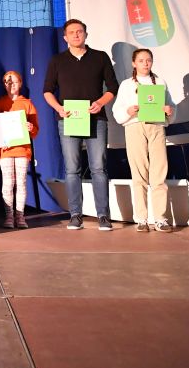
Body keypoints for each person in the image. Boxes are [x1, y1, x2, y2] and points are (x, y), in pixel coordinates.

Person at [43, 18, 119, 231]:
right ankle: (75, 215)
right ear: (65, 37)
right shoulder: (57, 60)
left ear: (86, 34)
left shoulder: (100, 57)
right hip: (69, 120)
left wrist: (100, 103)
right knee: (72, 169)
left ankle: (103, 216)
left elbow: (113, 87)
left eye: (80, 31)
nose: (76, 35)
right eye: (72, 32)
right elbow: (47, 90)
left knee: (99, 168)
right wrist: (59, 108)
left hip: (96, 119)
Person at [111, 48, 175, 233]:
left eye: (148, 60)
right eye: (141, 60)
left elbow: (170, 105)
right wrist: (128, 111)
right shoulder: (126, 85)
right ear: (134, 63)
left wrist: (169, 111)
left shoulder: (160, 82)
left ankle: (160, 218)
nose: (145, 63)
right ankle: (142, 218)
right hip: (135, 127)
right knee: (139, 173)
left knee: (159, 173)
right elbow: (117, 110)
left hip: (156, 126)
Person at [0, 70, 40, 228]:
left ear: (21, 84)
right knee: (8, 183)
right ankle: (9, 216)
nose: (11, 85)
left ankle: (20, 216)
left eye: (15, 82)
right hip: (5, 151)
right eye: (8, 82)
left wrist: (31, 127)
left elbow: (35, 130)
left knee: (21, 183)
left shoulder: (27, 104)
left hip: (22, 150)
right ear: (4, 84)